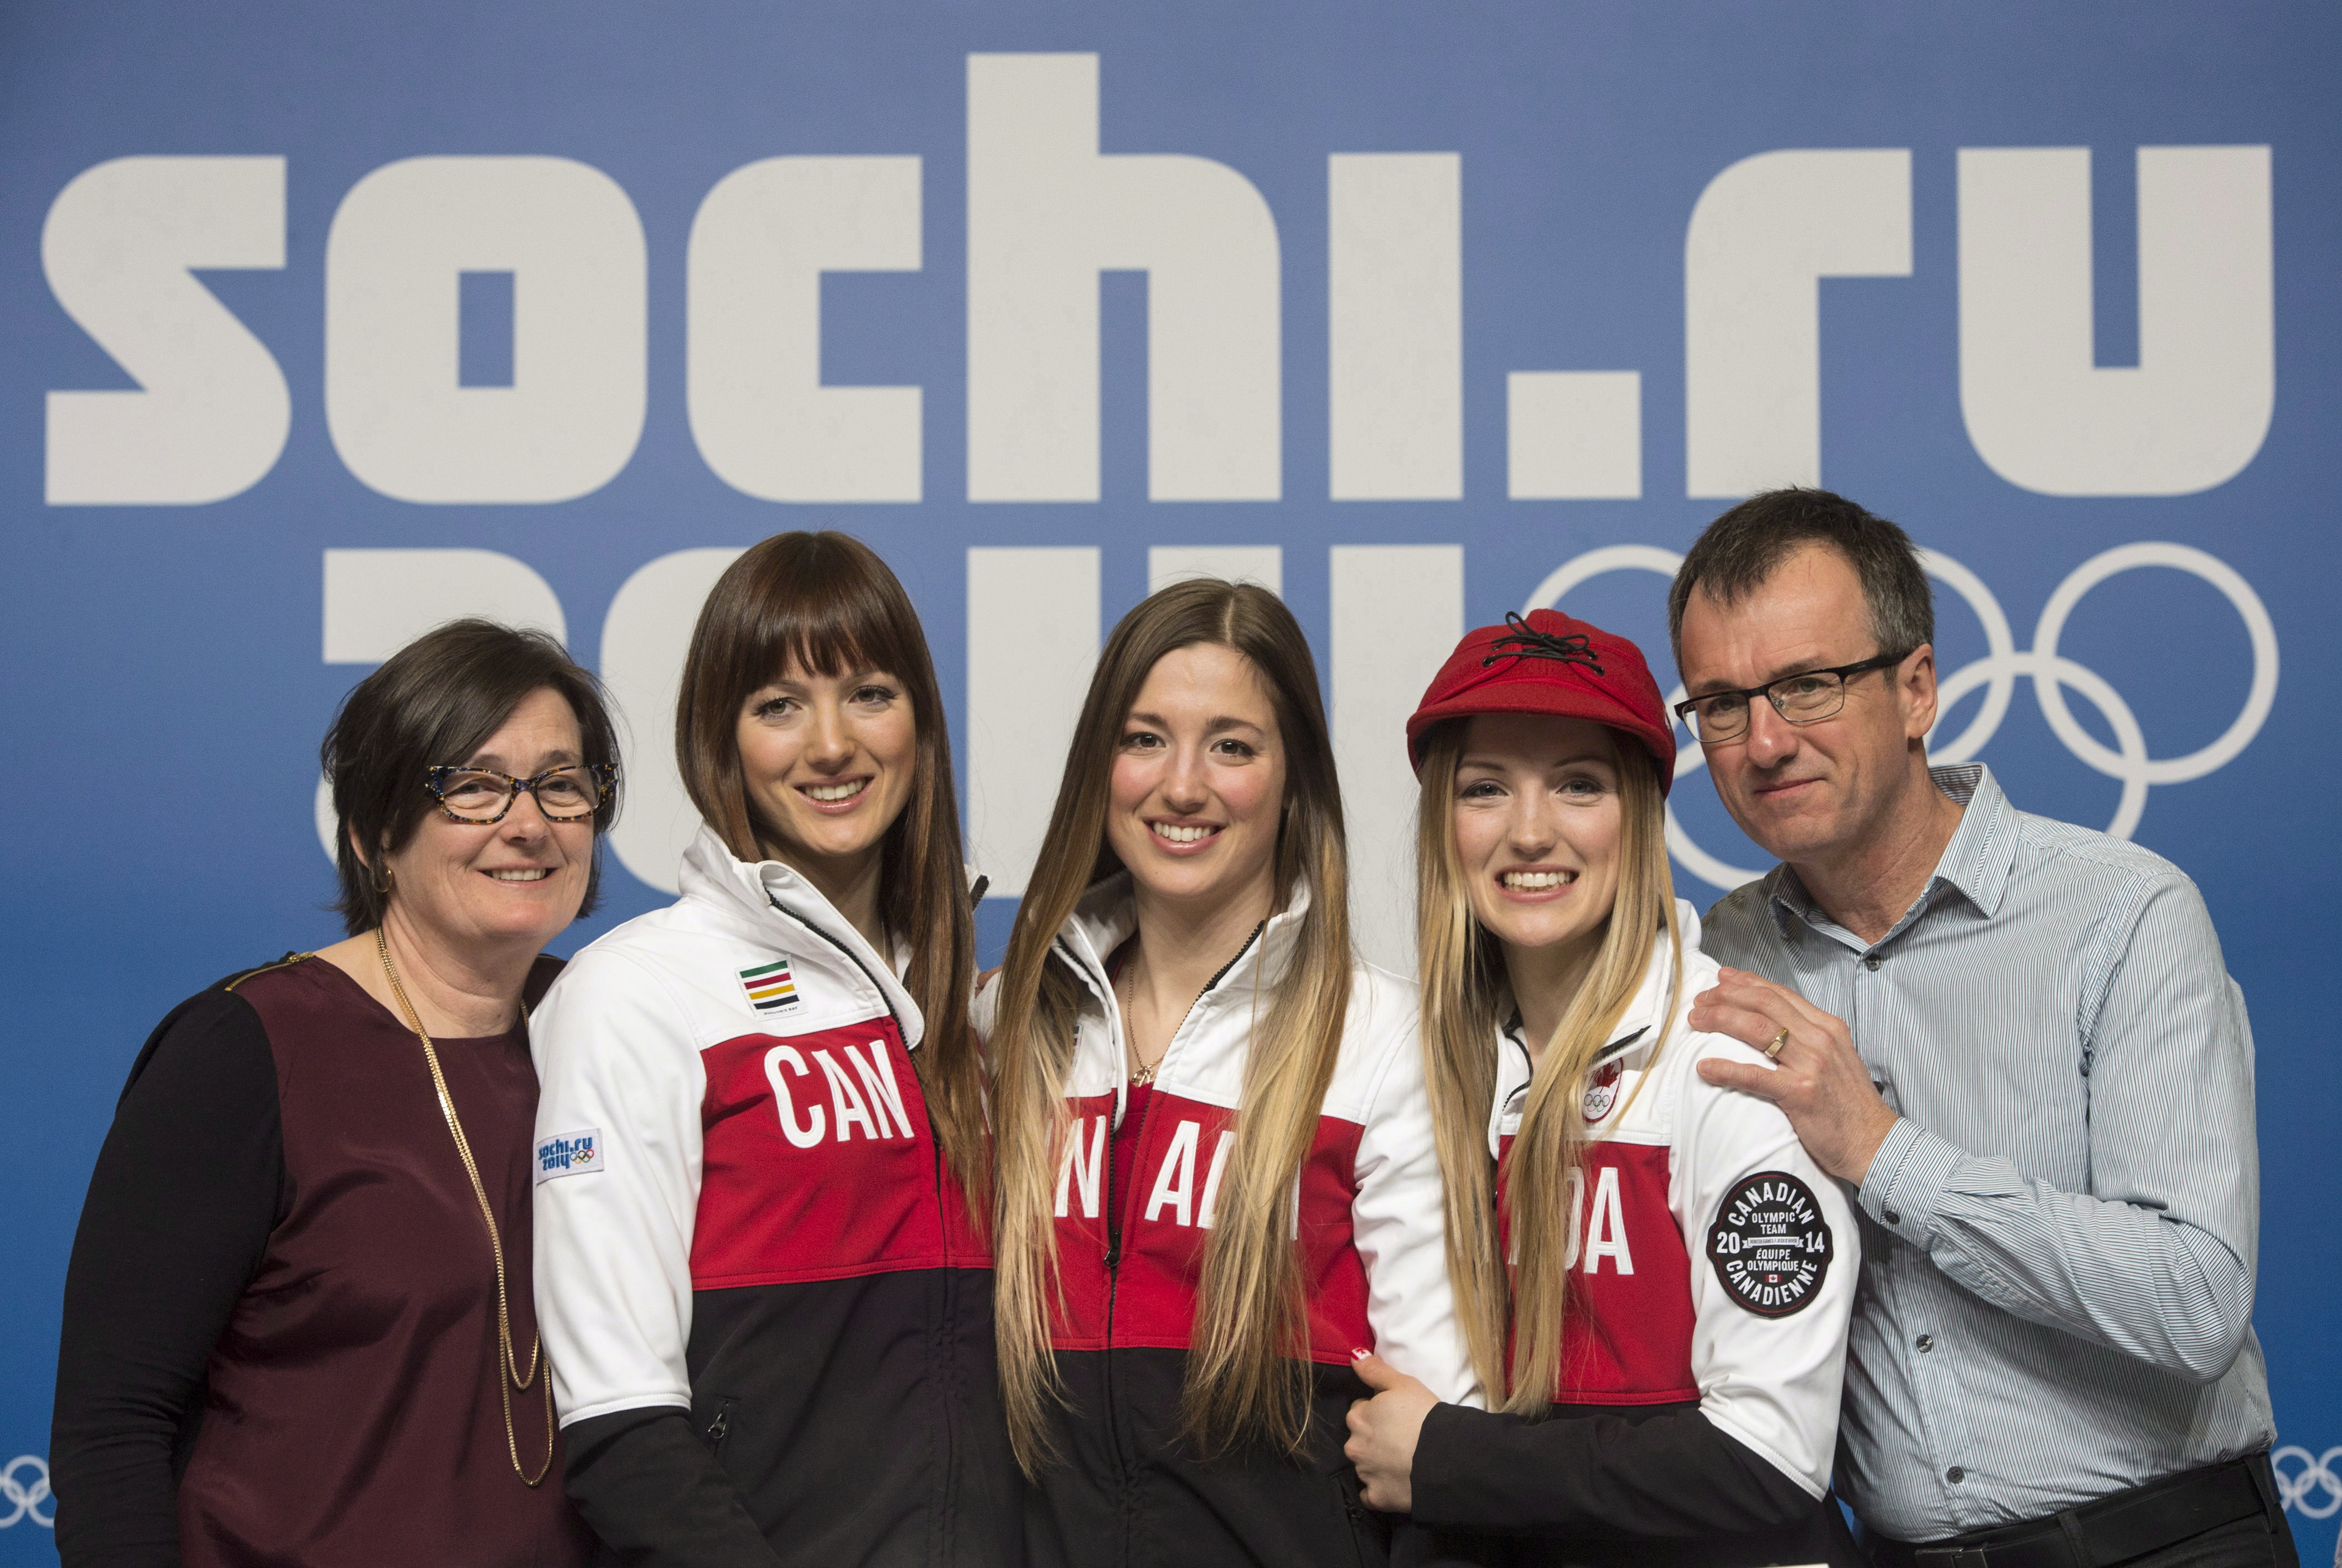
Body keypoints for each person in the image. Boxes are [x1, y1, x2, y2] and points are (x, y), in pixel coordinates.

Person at [1669, 489, 2293, 1567]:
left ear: (1916, 689)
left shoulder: (2119, 912)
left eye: (1806, 686)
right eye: (1720, 705)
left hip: (2169, 1542)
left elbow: (2194, 1301)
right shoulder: (1717, 961)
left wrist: (1879, 1149)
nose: (1763, 741)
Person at [50, 619, 615, 1567]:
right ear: (371, 833)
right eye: (472, 785)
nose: (528, 822)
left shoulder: (614, 1029)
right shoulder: (247, 1051)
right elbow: (114, 1431)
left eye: (561, 783)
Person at [528, 531, 1019, 1567]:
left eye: (870, 693)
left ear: (922, 723)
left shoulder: (973, 1012)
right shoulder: (635, 992)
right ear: (723, 738)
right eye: (779, 704)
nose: (831, 743)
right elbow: (621, 1429)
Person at [1340, 608, 1861, 1568]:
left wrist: (1453, 1459)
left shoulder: (1727, 1055)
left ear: (1639, 813)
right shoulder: (1414, 1066)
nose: (1530, 832)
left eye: (1578, 785)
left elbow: (1770, 1456)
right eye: (1485, 788)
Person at [981, 578, 1473, 1568]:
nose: (1183, 785)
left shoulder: (1383, 1040)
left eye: (1233, 746)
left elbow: (1442, 1433)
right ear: (1098, 766)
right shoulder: (1007, 1027)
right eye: (1143, 737)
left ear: (1295, 780)